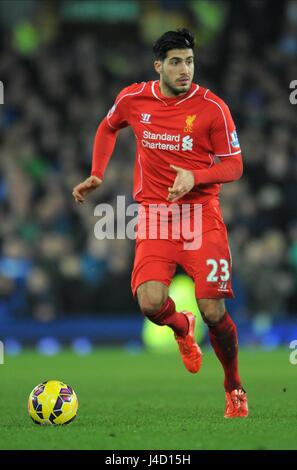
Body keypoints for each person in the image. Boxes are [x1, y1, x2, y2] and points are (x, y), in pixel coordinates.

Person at [72, 28, 248, 418]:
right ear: (159, 67)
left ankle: (233, 386)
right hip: (156, 213)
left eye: (189, 61)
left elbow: (235, 165)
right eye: (176, 62)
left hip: (201, 215)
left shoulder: (212, 108)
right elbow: (108, 126)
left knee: (214, 312)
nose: (185, 69)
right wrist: (97, 172)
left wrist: (195, 176)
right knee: (150, 303)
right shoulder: (134, 98)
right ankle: (182, 329)